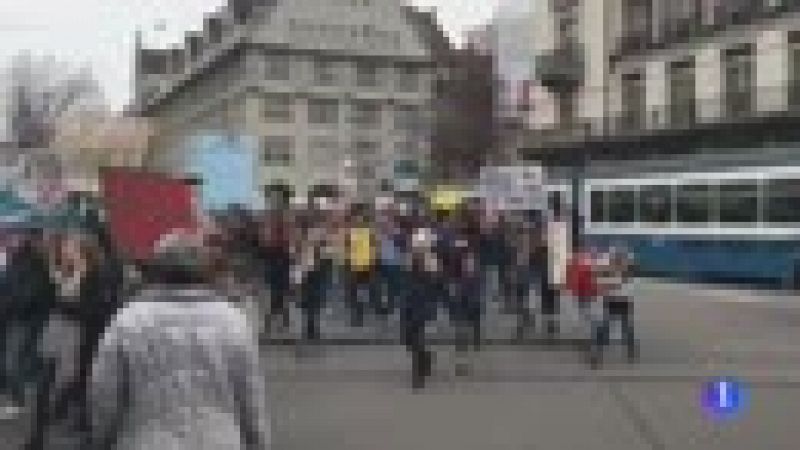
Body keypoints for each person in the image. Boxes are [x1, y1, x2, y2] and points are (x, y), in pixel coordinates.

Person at [87, 230, 270, 450]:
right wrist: (257, 442)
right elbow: (250, 395)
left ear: (157, 270)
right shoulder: (233, 320)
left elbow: (104, 393)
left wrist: (102, 439)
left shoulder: (128, 320)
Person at [590, 246, 638, 368]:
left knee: (626, 329)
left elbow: (626, 288)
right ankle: (597, 354)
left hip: (624, 302)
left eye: (620, 259)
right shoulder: (607, 271)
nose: (618, 261)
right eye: (616, 259)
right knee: (604, 328)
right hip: (610, 301)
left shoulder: (627, 273)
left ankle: (630, 351)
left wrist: (614, 283)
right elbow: (601, 284)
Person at [345, 210, 380, 327]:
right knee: (355, 293)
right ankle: (358, 315)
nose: (358, 221)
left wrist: (373, 264)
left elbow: (374, 249)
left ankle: (363, 312)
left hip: (366, 267)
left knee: (364, 291)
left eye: (361, 219)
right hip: (354, 267)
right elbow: (347, 250)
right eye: (357, 219)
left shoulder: (369, 233)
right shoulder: (351, 233)